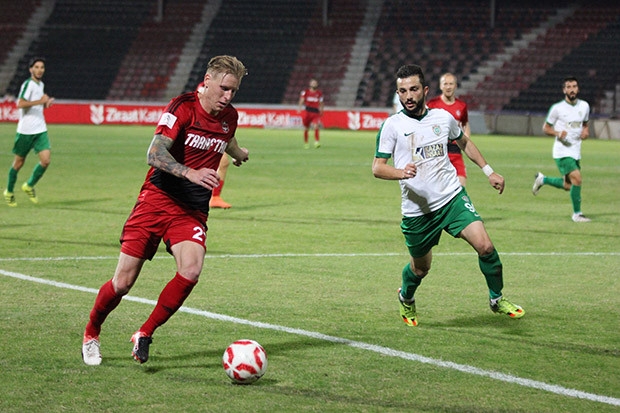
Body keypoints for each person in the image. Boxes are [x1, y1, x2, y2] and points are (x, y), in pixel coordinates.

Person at [81, 55, 249, 366]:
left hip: (191, 209)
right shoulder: (182, 107)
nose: (228, 96)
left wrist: (238, 153)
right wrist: (190, 173)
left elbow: (227, 136)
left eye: (234, 91)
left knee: (191, 270)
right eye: (224, 88)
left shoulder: (230, 116)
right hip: (157, 200)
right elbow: (154, 153)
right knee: (122, 283)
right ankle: (92, 332)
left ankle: (144, 332)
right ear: (208, 81)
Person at [372, 64, 524, 327]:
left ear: (425, 90)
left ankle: (496, 298)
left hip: (452, 199)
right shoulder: (392, 126)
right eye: (402, 91)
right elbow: (377, 167)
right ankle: (406, 297)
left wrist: (489, 171)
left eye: (413, 89)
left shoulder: (443, 118)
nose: (408, 96)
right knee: (421, 269)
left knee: (486, 247)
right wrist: (401, 173)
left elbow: (464, 142)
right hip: (418, 212)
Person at [532, 76, 591, 223]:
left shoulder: (584, 106)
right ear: (564, 90)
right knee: (577, 178)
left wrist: (585, 131)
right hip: (562, 151)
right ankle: (577, 214)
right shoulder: (557, 108)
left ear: (578, 89)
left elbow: (585, 124)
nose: (572, 89)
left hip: (576, 151)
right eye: (569, 87)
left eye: (574, 86)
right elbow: (546, 128)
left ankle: (542, 179)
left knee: (568, 185)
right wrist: (557, 133)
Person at [4, 57, 54, 207]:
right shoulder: (28, 84)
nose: (39, 70)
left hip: (40, 129)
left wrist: (45, 105)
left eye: (42, 67)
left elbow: (35, 106)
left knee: (45, 160)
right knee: (18, 163)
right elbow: (20, 103)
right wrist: (40, 101)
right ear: (30, 69)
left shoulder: (41, 85)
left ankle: (29, 185)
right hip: (26, 131)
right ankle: (9, 191)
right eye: (36, 67)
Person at [427, 72, 470, 187]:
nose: (448, 87)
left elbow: (465, 124)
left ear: (455, 86)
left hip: (455, 151)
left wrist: (466, 142)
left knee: (461, 186)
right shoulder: (432, 104)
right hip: (437, 152)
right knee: (436, 188)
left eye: (451, 84)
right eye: (445, 84)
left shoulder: (461, 106)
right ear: (440, 86)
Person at [298, 78, 323, 149]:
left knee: (316, 126)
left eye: (315, 83)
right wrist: (299, 108)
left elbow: (321, 102)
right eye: (313, 83)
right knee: (306, 128)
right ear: (310, 84)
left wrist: (321, 110)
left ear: (317, 84)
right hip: (307, 112)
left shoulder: (319, 93)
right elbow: (302, 100)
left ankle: (317, 142)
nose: (314, 84)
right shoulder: (305, 92)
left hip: (315, 112)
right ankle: (306, 143)